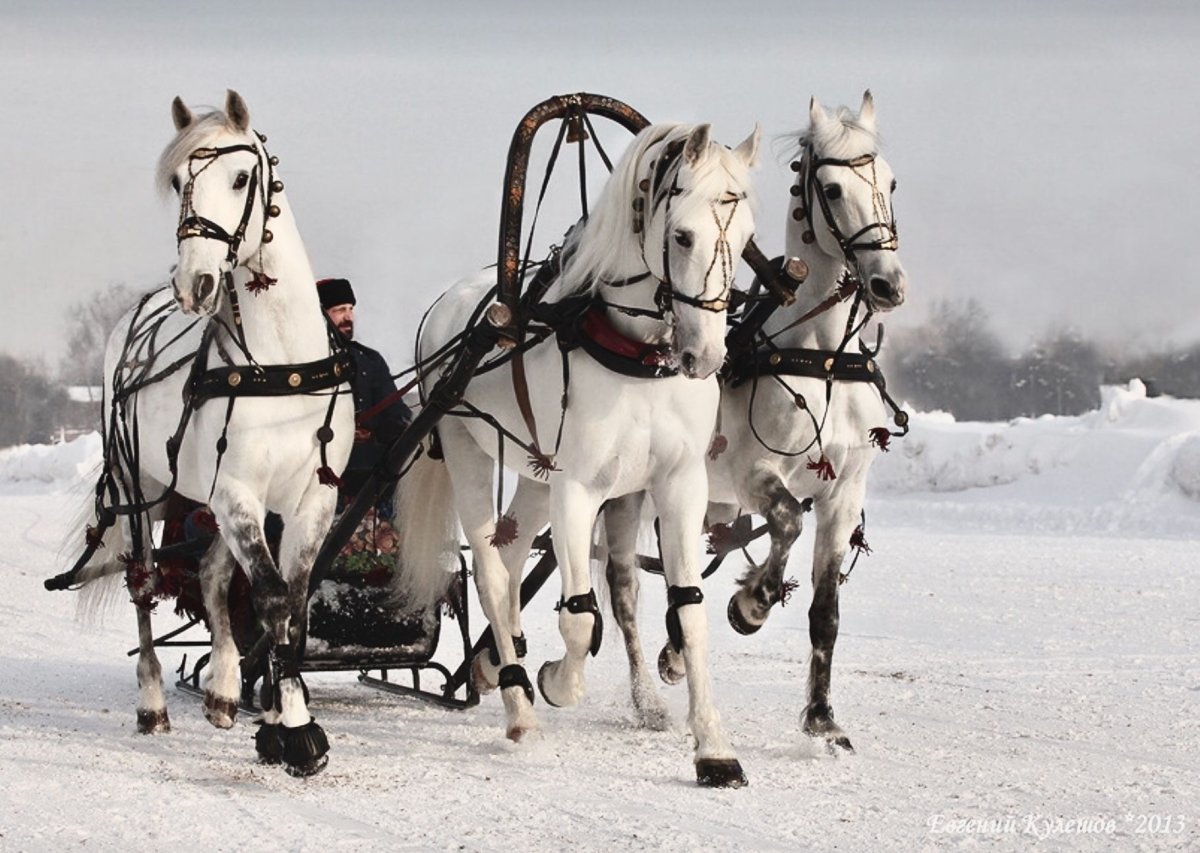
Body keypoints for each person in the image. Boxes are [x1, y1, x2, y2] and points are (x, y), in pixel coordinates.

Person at [316, 277, 412, 506]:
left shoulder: (370, 360)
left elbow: (396, 414)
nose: (348, 317)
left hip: (369, 475)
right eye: (339, 310)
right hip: (319, 473)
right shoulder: (306, 363)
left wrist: (376, 432)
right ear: (320, 314)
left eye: (350, 309)